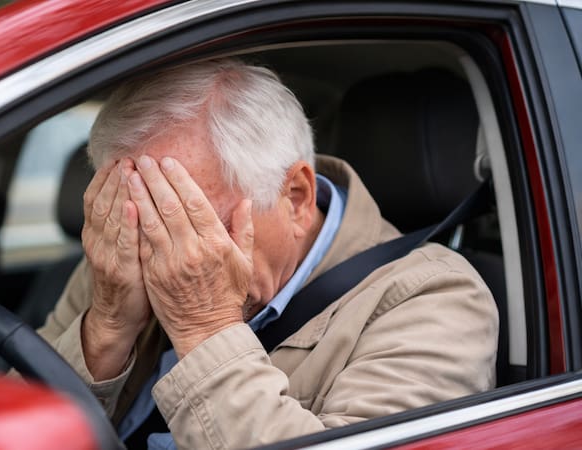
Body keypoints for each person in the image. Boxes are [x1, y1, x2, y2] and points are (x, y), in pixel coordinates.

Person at [36, 58, 498, 449]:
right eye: (145, 221)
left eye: (192, 223)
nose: (163, 258)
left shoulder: (434, 300)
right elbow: (14, 426)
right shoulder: (125, 259)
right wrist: (108, 328)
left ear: (295, 197)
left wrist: (204, 329)